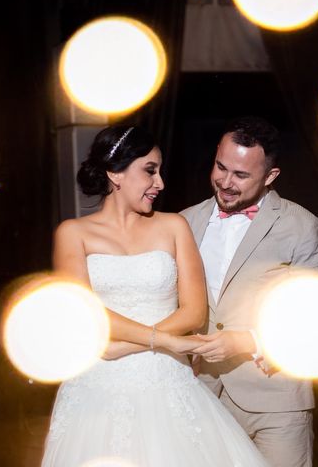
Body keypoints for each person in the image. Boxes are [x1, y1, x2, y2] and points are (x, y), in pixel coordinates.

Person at [41, 125, 269, 466]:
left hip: (167, 380)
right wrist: (165, 340)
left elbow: (193, 312)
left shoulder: (174, 225)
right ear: (115, 173)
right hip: (97, 388)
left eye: (160, 171)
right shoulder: (73, 234)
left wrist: (138, 344)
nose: (160, 183)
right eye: (150, 171)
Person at [181, 116, 318, 467]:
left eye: (241, 175)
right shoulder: (184, 222)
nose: (225, 182)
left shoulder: (302, 227)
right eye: (221, 167)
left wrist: (249, 341)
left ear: (270, 176)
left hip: (277, 402)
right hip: (201, 396)